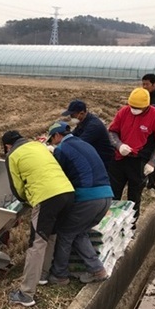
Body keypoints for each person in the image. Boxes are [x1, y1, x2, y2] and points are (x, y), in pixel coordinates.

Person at [1, 130, 75, 307]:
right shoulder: (39, 146)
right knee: (51, 235)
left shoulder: (12, 155)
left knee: (36, 244)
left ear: (7, 146)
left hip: (47, 197)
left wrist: (25, 201)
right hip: (67, 192)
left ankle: (26, 294)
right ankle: (42, 275)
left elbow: (17, 187)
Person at [45, 121, 114, 284]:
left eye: (51, 139)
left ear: (56, 136)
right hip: (106, 196)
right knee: (78, 231)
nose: (52, 142)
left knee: (65, 233)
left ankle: (59, 275)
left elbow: (59, 177)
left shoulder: (62, 149)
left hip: (88, 199)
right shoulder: (85, 144)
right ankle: (97, 270)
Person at [107, 88, 155, 223]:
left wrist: (152, 163)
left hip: (139, 161)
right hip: (119, 159)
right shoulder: (124, 112)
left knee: (134, 197)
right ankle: (111, 224)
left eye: (137, 108)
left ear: (146, 105)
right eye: (132, 107)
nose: (134, 109)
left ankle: (131, 226)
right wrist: (119, 145)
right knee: (112, 194)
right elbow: (112, 132)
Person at [61, 100, 115, 170]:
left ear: (81, 113)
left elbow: (79, 144)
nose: (71, 117)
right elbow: (73, 136)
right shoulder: (83, 121)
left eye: (72, 115)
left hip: (104, 162)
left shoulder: (94, 126)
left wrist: (61, 148)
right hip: (94, 158)